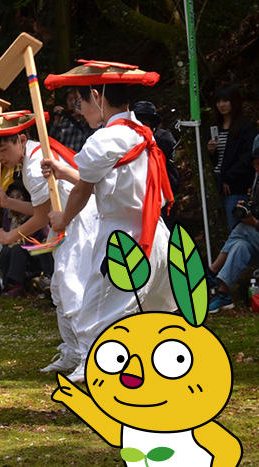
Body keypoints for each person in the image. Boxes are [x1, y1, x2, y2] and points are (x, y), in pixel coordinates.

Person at [43, 60, 177, 382]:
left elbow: (85, 189)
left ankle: (96, 386)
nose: (80, 111)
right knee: (156, 315)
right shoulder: (142, 133)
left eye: (82, 103)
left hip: (124, 239)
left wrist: (61, 218)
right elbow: (102, 178)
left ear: (97, 97)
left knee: (95, 317)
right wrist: (65, 173)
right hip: (156, 237)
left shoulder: (104, 140)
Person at [0, 109, 98, 375]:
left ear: (21, 140)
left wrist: (9, 236)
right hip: (67, 223)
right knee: (59, 288)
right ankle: (72, 351)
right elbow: (40, 209)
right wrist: (8, 203)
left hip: (79, 224)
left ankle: (88, 355)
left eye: (3, 150)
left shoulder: (34, 166)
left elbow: (42, 216)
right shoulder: (32, 158)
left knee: (70, 288)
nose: (0, 157)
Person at [207, 142, 259, 312]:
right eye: (257, 164)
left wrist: (255, 223)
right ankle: (223, 293)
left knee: (243, 230)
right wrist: (247, 210)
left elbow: (257, 223)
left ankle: (212, 271)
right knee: (240, 245)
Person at [207, 84, 258, 230]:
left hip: (235, 186)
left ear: (233, 102)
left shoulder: (245, 127)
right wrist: (211, 151)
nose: (221, 105)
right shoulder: (215, 126)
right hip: (216, 184)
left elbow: (247, 157)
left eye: (225, 101)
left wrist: (228, 178)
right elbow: (216, 159)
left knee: (235, 228)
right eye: (218, 101)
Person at [132, 101, 179, 229]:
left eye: (144, 120)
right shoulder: (128, 141)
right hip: (138, 197)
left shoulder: (163, 138)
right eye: (137, 120)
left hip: (162, 193)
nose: (140, 124)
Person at [48, 87, 92, 152]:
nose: (73, 102)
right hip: (65, 158)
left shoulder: (90, 119)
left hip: (80, 159)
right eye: (70, 99)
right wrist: (56, 121)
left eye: (76, 99)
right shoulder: (64, 120)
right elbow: (52, 141)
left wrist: (82, 116)